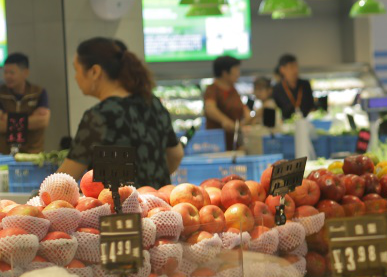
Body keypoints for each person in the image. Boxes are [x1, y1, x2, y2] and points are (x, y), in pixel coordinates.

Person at [58, 39, 183, 187]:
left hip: (120, 208)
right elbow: (176, 155)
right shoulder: (152, 103)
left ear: (95, 72)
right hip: (158, 205)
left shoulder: (99, 116)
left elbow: (64, 180)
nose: (75, 77)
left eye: (76, 70)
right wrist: (149, 180)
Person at [0, 53, 51, 153]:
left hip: (33, 153)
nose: (7, 76)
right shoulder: (1, 93)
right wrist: (31, 119)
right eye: (5, 72)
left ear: (25, 73)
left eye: (12, 73)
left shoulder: (38, 92)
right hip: (5, 155)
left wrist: (7, 118)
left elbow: (43, 122)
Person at [204, 56, 246, 150]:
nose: (238, 73)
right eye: (236, 70)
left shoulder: (233, 90)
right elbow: (210, 108)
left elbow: (243, 110)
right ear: (225, 72)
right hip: (217, 144)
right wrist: (225, 121)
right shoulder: (212, 89)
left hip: (235, 142)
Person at [273, 54, 316, 119]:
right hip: (285, 125)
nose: (295, 70)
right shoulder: (277, 89)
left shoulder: (305, 85)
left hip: (306, 123)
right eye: (291, 67)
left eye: (296, 67)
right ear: (282, 69)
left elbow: (312, 106)